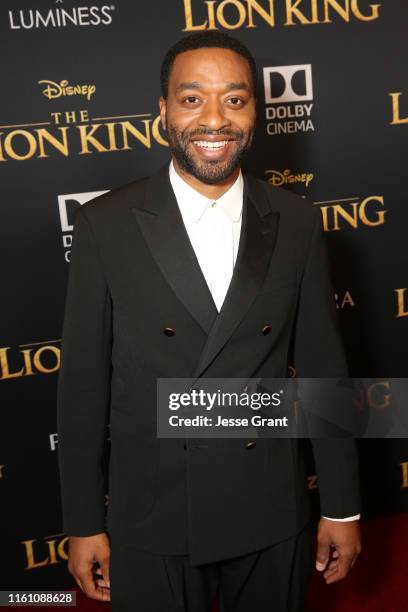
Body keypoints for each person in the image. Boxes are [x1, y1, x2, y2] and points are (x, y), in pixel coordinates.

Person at [57, 31, 361, 612]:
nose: (214, 119)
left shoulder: (295, 221)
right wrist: (82, 521)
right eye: (193, 99)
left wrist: (341, 505)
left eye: (236, 99)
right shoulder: (105, 225)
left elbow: (327, 371)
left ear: (256, 115)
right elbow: (82, 389)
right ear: (163, 113)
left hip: (270, 509)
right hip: (151, 514)